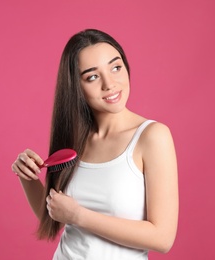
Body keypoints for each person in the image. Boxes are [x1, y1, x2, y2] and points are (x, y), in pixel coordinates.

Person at [11, 29, 179, 259]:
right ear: (76, 87)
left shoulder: (152, 136)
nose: (109, 84)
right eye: (92, 76)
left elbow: (163, 238)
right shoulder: (74, 139)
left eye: (116, 67)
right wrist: (27, 176)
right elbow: (53, 216)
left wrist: (79, 216)